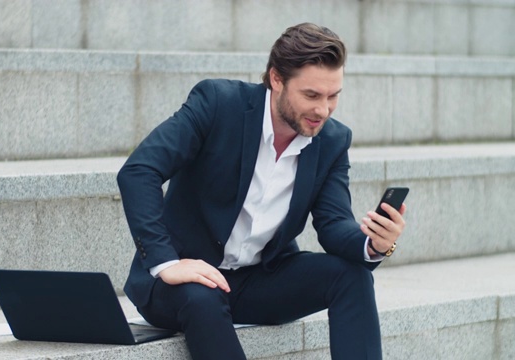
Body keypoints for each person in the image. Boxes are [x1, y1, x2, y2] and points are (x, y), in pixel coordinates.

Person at [117, 22, 406, 360]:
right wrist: (167, 262)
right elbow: (139, 170)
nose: (323, 110)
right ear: (276, 79)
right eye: (311, 95)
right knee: (201, 297)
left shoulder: (332, 140)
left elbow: (333, 223)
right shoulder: (217, 103)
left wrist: (374, 244)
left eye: (333, 96)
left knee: (353, 277)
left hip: (259, 281)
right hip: (184, 282)